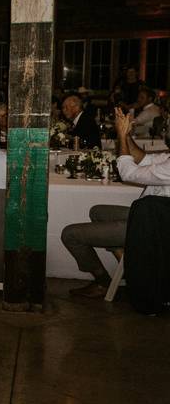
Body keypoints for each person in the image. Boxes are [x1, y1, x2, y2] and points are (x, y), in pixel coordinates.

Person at [63, 106, 170, 299]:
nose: (165, 125)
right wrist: (127, 135)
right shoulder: (168, 157)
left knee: (70, 234)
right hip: (150, 216)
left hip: (154, 228)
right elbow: (143, 159)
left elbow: (128, 172)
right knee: (98, 212)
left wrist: (120, 136)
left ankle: (102, 281)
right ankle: (130, 264)